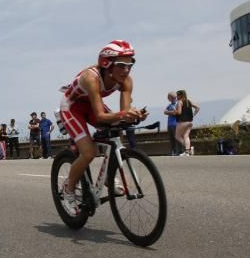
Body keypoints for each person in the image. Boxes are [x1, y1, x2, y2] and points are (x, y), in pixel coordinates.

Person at [57, 40, 146, 216]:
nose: (126, 70)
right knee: (88, 152)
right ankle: (68, 188)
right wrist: (123, 115)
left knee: (117, 128)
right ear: (107, 64)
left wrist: (132, 115)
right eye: (121, 65)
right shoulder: (91, 78)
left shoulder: (127, 81)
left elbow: (123, 112)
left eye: (130, 64)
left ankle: (107, 177)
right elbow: (100, 116)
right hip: (72, 107)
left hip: (90, 105)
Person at [174, 89, 200, 156]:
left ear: (181, 95)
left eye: (177, 95)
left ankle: (188, 149)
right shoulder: (189, 101)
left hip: (182, 122)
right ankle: (187, 152)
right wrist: (193, 115)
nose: (176, 97)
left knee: (177, 136)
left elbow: (179, 112)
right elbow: (198, 107)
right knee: (186, 136)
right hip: (190, 122)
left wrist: (174, 112)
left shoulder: (180, 102)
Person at [164, 91, 183, 156]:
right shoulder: (170, 105)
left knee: (177, 138)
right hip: (170, 124)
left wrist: (170, 112)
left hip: (176, 124)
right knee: (172, 139)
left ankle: (180, 151)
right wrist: (172, 112)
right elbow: (165, 112)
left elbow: (177, 113)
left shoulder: (178, 104)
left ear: (171, 97)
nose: (167, 98)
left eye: (168, 97)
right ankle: (174, 151)